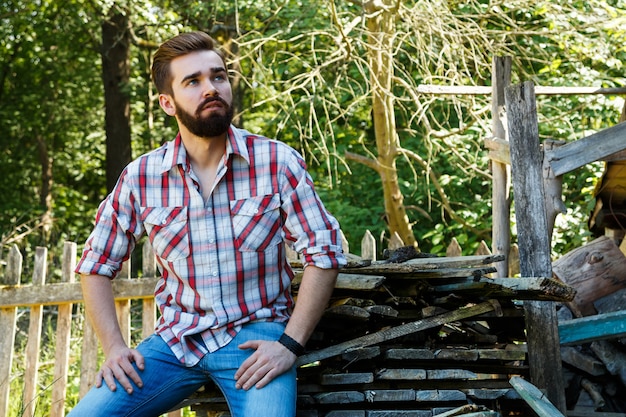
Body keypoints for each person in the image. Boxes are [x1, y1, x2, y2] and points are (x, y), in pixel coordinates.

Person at [68, 31, 346, 417]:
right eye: (193, 81)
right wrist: (114, 348)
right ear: (168, 102)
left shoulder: (276, 162)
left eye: (218, 77)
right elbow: (95, 266)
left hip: (257, 340)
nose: (211, 88)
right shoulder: (142, 177)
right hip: (175, 343)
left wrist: (289, 344)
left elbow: (325, 252)